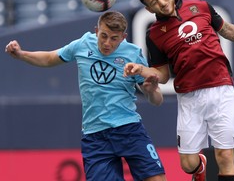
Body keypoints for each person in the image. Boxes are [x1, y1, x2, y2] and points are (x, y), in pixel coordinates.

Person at [123, 0, 234, 181]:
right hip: (189, 98)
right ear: (149, 9)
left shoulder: (200, 6)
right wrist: (141, 70)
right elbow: (162, 75)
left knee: (225, 156)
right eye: (154, 2)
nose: (162, 2)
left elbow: (227, 30)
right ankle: (199, 169)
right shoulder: (154, 34)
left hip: (221, 88)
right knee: (188, 165)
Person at [5, 11, 167, 181]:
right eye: (103, 36)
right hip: (95, 136)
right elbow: (49, 58)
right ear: (96, 31)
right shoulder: (82, 44)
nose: (107, 43)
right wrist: (21, 55)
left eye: (114, 38)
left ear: (123, 37)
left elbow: (157, 100)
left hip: (129, 130)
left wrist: (150, 91)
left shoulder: (133, 54)